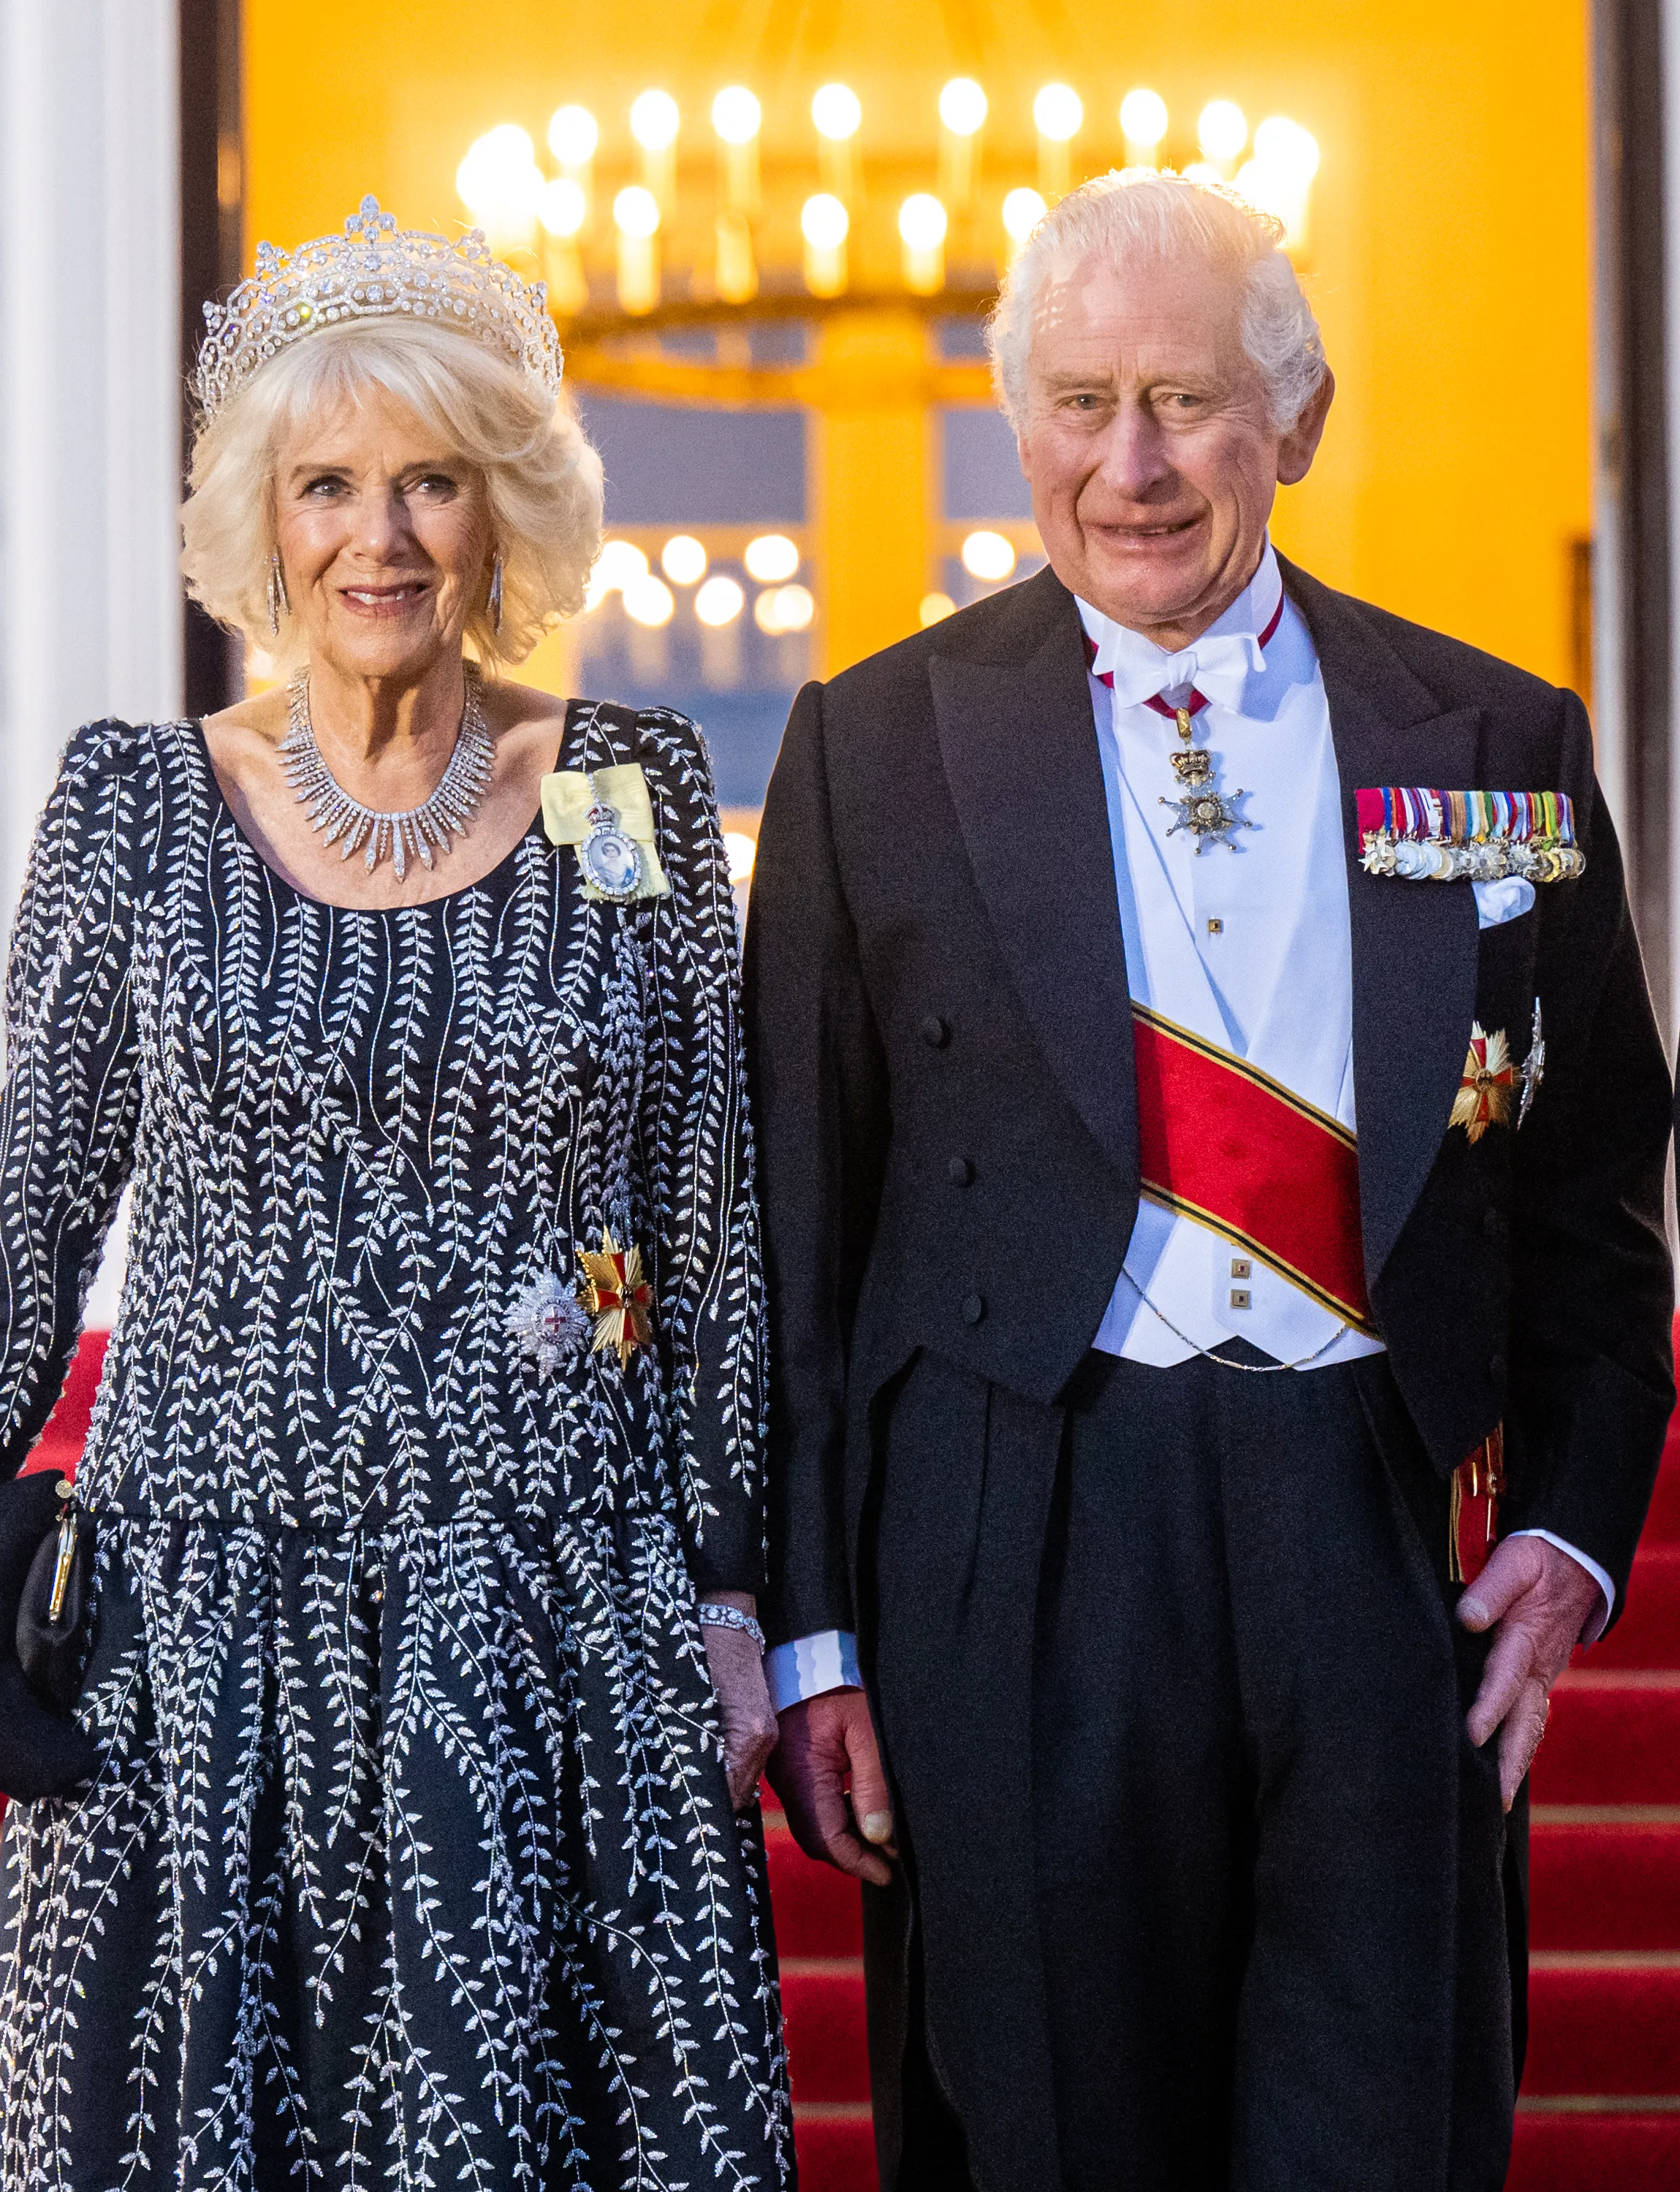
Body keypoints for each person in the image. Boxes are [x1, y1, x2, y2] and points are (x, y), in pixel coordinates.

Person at [746, 172, 1674, 2192]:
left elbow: (1597, 1208)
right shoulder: (873, 748)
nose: (1131, 464)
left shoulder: (1496, 738)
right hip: (1018, 1537)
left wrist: (1580, 1535)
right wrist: (811, 1634)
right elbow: (797, 1242)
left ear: (1297, 419)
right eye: (1078, 402)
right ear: (1020, 425)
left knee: (1379, 2136)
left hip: (1367, 1518)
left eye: (1182, 399)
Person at [0, 197, 789, 2189]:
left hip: (552, 1611)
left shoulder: (626, 791)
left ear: (500, 510)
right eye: (330, 485)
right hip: (201, 1617)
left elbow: (703, 1231)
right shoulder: (132, 807)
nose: (380, 536)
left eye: (430, 481)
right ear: (262, 524)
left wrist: (729, 1586)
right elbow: (35, 1200)